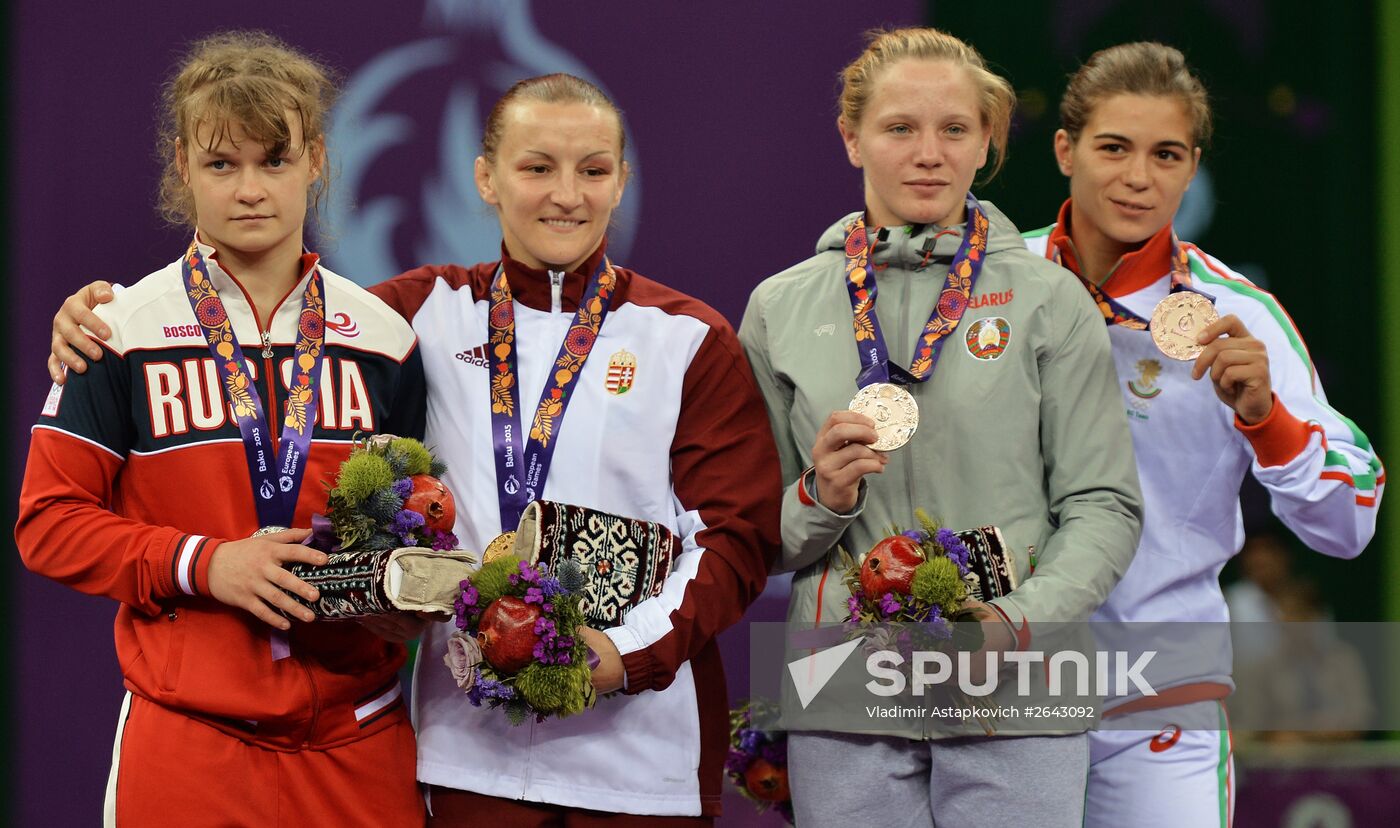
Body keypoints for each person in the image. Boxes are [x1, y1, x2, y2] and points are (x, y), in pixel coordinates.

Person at [47, 72, 783, 825]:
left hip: (636, 759)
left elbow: (737, 538)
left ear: (622, 181)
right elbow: (278, 325)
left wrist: (626, 657)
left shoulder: (689, 338)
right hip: (466, 756)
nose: (567, 194)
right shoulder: (411, 317)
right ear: (485, 178)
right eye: (536, 168)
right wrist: (94, 320)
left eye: (593, 170)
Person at [16, 32, 427, 827]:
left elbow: (422, 522)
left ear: (317, 162)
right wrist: (205, 564)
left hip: (358, 744)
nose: (249, 189)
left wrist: (407, 591)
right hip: (190, 742)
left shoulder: (383, 337)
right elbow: (47, 525)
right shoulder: (118, 329)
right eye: (220, 164)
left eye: (274, 160)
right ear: (181, 168)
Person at [738, 28, 1143, 827]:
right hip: (846, 685)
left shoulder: (1048, 300)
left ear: (987, 140)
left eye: (955, 129)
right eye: (900, 129)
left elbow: (1105, 506)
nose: (929, 153)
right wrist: (819, 496)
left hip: (1018, 679)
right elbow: (755, 535)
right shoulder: (780, 307)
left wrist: (1012, 623)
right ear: (852, 137)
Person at [1021, 41, 1383, 828]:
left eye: (1167, 154)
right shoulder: (990, 290)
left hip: (1161, 703)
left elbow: (1351, 523)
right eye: (1113, 147)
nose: (1138, 176)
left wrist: (1268, 422)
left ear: (1193, 170)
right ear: (1065, 150)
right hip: (1004, 693)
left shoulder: (1240, 315)